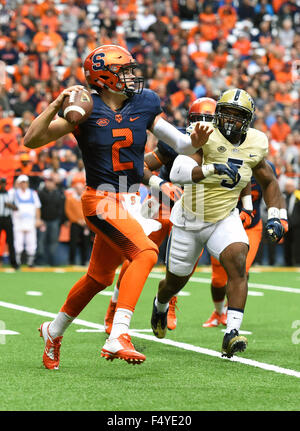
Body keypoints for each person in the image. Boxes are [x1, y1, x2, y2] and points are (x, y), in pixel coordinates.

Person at [23, 44, 211, 369]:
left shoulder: (145, 102)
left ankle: (52, 332)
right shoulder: (85, 110)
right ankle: (119, 333)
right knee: (146, 252)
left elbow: (179, 143)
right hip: (101, 199)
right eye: (123, 70)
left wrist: (196, 139)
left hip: (130, 198)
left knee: (98, 278)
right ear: (104, 76)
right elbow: (32, 140)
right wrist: (56, 104)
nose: (130, 76)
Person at [151, 88, 286, 358]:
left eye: (238, 116)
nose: (231, 121)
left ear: (248, 120)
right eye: (227, 113)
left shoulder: (256, 142)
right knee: (174, 281)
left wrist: (276, 216)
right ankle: (161, 305)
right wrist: (211, 169)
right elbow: (178, 172)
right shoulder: (205, 134)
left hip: (224, 216)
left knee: (238, 262)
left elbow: (269, 180)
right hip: (189, 219)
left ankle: (232, 333)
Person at [103, 97, 217, 335]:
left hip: (192, 209)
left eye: (209, 119)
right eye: (199, 119)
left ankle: (169, 302)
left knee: (187, 260)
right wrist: (161, 183)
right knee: (138, 254)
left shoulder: (223, 145)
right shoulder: (176, 142)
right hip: (161, 204)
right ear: (190, 121)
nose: (204, 125)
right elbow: (140, 166)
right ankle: (114, 306)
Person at [203, 160, 288, 327]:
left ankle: (230, 311)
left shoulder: (266, 168)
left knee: (241, 269)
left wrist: (281, 218)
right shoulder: (227, 162)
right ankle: (218, 312)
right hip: (223, 224)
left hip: (251, 226)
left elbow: (276, 193)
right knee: (218, 279)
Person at [9, 175, 42, 268]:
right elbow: (8, 200)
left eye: (25, 182)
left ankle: (30, 262)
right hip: (18, 222)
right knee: (18, 242)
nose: (23, 184)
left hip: (30, 222)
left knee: (31, 242)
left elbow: (37, 207)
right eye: (21, 182)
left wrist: (38, 219)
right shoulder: (14, 193)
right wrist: (15, 186)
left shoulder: (33, 193)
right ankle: (17, 262)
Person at [0, 177, 19, 269]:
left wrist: (10, 205)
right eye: (1, 183)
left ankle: (14, 263)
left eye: (3, 183)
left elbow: (16, 207)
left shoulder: (10, 194)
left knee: (11, 242)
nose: (2, 185)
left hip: (8, 219)